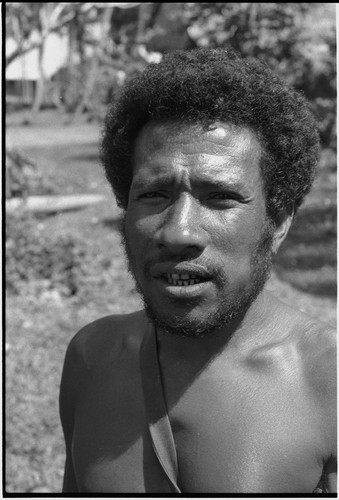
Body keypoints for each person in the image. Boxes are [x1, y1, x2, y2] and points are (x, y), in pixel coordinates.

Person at [59, 48, 336, 493]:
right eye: (153, 194)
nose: (178, 231)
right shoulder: (92, 358)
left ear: (279, 221)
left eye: (220, 196)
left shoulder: (328, 382)